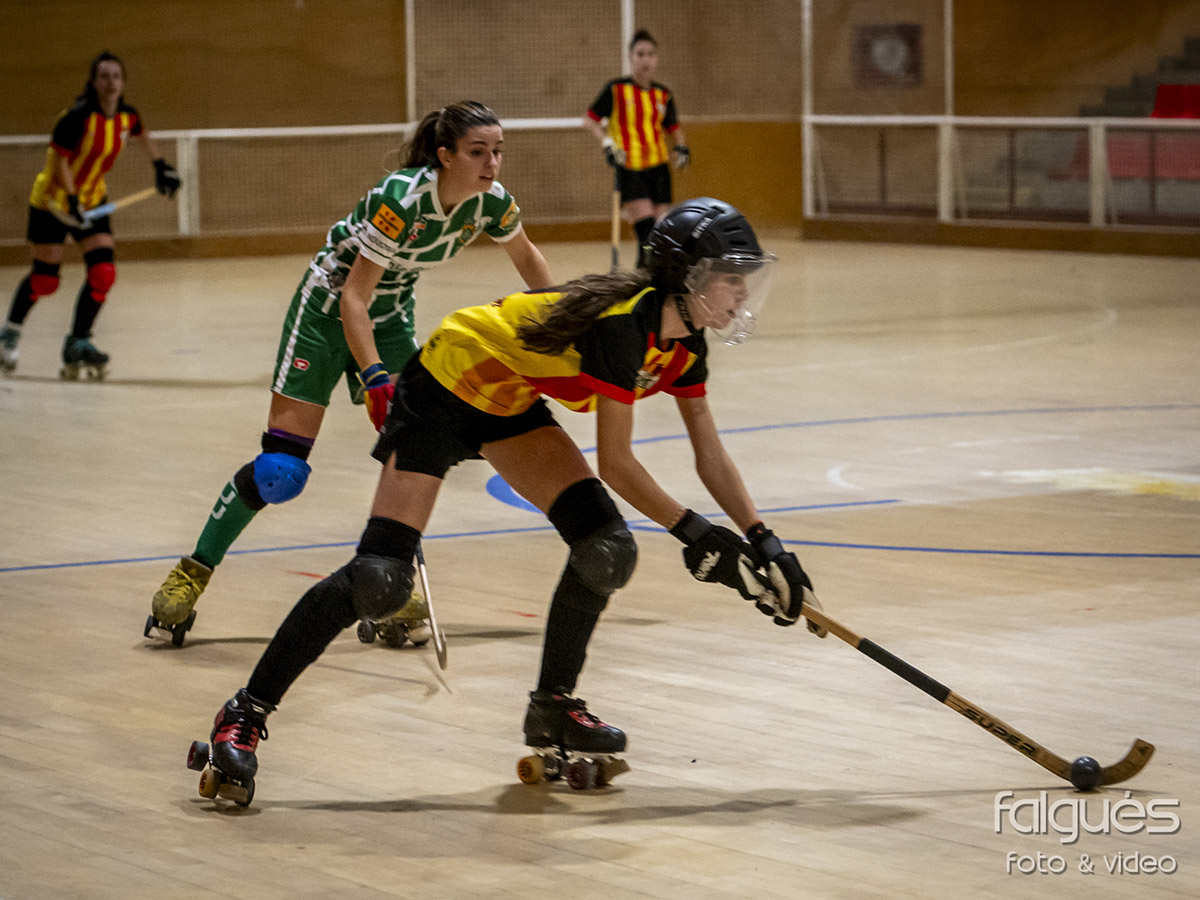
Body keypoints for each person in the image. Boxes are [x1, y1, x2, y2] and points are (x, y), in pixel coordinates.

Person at [190, 198, 825, 803]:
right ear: (687, 277)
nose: (742, 294)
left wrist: (765, 542)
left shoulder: (684, 346)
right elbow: (617, 463)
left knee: (606, 550)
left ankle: (553, 707)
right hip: (444, 384)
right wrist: (697, 534)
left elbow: (709, 452)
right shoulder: (624, 328)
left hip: (507, 402)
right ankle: (244, 713)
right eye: (731, 278)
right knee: (379, 579)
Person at [146, 100, 553, 647]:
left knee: (413, 455)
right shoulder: (401, 199)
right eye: (478, 152)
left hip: (389, 316)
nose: (492, 163)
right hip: (326, 312)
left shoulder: (491, 203)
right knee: (280, 471)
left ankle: (389, 584)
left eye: (498, 151)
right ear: (445, 156)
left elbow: (528, 259)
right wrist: (376, 377)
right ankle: (191, 573)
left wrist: (556, 322)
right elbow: (352, 297)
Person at [0, 51, 181, 379]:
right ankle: (9, 333)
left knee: (103, 273)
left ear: (123, 82)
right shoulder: (77, 118)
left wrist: (160, 167)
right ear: (94, 82)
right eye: (104, 76)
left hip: (93, 202)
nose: (111, 82)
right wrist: (71, 200)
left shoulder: (127, 117)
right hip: (52, 203)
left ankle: (78, 341)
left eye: (116, 76)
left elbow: (142, 134)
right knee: (45, 280)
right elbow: (59, 162)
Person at [584, 29, 689, 269]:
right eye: (640, 54)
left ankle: (657, 280)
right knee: (647, 234)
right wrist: (607, 143)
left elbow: (673, 128)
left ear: (657, 59)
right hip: (630, 167)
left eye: (650, 54)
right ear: (631, 57)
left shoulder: (663, 95)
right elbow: (589, 119)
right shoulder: (616, 89)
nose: (645, 60)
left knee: (662, 235)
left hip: (659, 167)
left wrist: (682, 147)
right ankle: (642, 280)